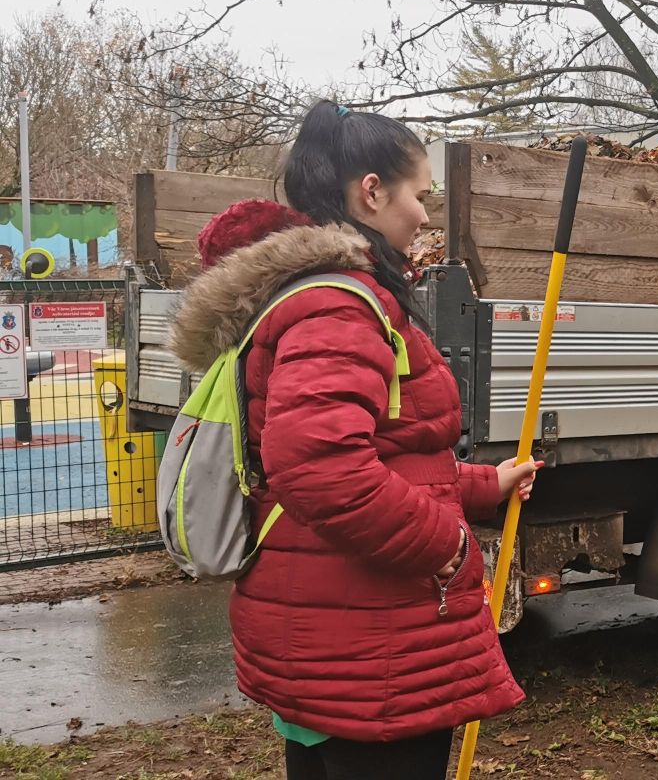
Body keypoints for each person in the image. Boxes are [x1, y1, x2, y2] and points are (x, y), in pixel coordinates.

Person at [169, 100, 539, 779]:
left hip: (336, 634)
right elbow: (320, 466)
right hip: (368, 650)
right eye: (419, 194)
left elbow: (378, 458)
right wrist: (447, 546)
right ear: (372, 191)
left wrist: (485, 486)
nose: (425, 215)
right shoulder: (338, 302)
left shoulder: (314, 295)